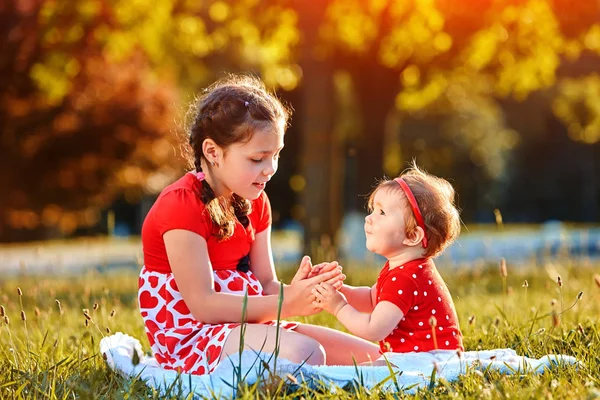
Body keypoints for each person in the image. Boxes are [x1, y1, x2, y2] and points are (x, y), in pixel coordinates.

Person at [138, 74, 380, 375]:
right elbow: (203, 305)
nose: (270, 169)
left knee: (374, 358)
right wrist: (287, 306)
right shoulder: (181, 204)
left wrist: (302, 291)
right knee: (306, 353)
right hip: (193, 337)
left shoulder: (255, 201)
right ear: (213, 152)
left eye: (276, 155)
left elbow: (266, 284)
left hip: (246, 324)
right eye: (258, 159)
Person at [312, 165, 464, 355]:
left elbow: (373, 329)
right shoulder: (405, 269)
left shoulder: (407, 278)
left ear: (412, 236)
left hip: (427, 364)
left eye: (381, 212)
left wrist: (337, 306)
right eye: (373, 210)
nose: (369, 218)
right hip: (423, 360)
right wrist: (337, 290)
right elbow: (371, 299)